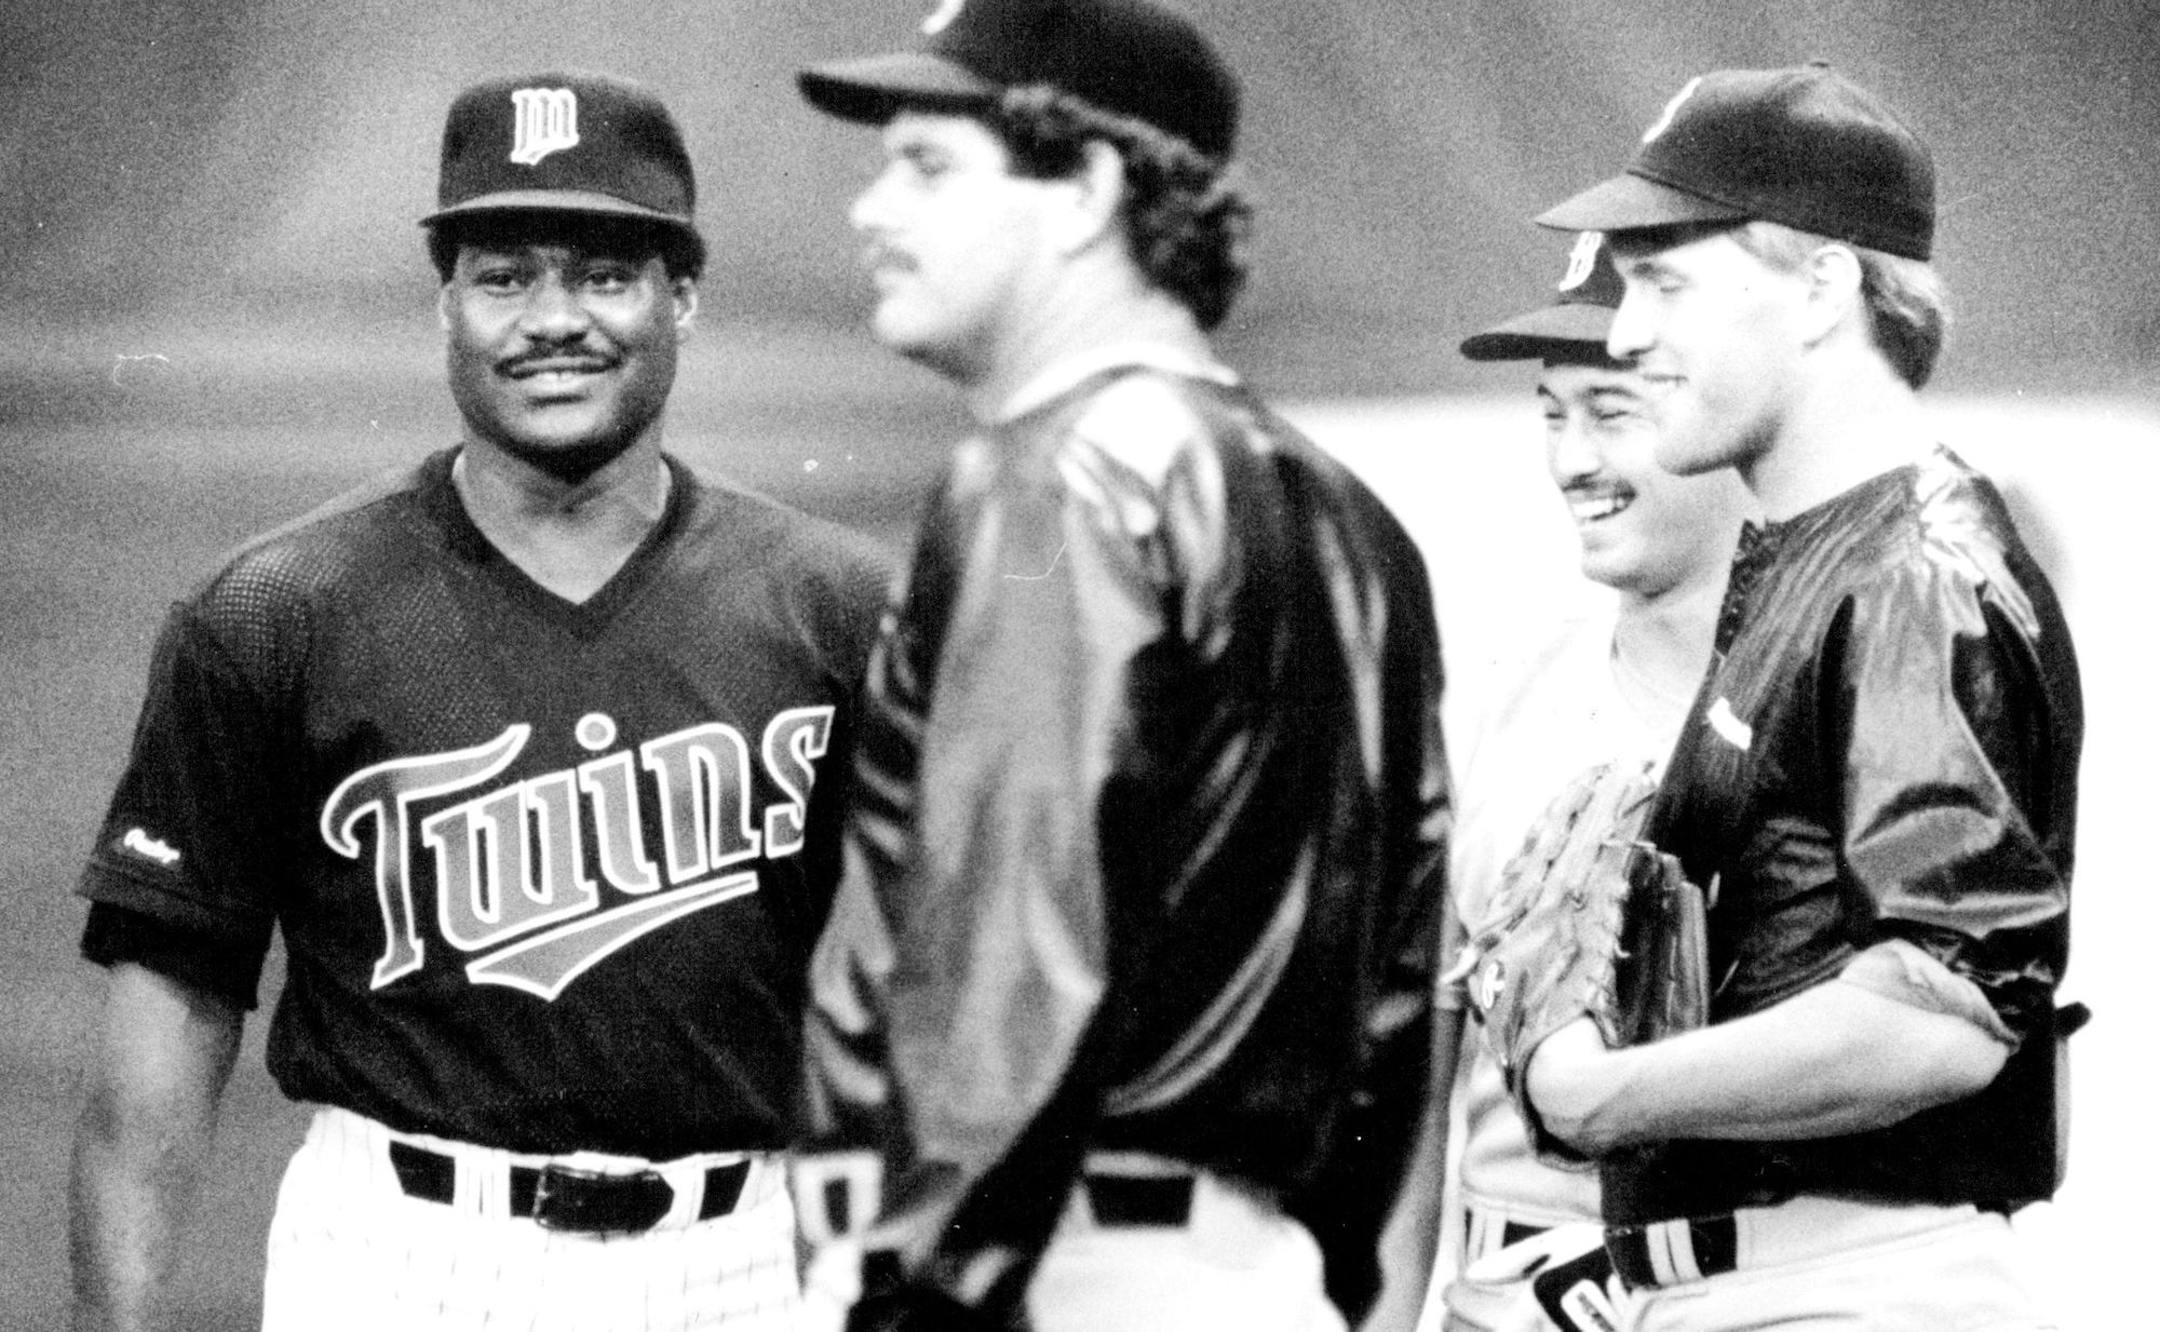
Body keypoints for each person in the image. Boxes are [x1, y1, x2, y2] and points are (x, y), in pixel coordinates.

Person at [68, 71, 891, 1332]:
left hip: (749, 1259)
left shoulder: (837, 606)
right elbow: (170, 1015)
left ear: (685, 295)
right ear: (445, 302)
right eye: (506, 276)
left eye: (606, 275)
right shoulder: (278, 609)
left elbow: (944, 987)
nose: (553, 320)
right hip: (399, 1257)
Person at [787, 2, 1451, 1329]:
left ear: (1086, 188)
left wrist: (920, 1296)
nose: (869, 209)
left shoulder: (1057, 482)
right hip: (1263, 1280)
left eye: (926, 165)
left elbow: (1018, 965)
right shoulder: (1354, 518)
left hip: (1039, 1271)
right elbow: (1398, 993)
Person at [1510, 63, 2083, 1329]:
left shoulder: (1914, 576)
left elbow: (1941, 1020)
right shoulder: (1814, 554)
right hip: (1755, 1283)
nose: (1624, 331)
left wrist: (1602, 1095)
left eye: (1667, 280)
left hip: (1847, 1287)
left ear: (1824, 284)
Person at [1434, 231, 1752, 1332]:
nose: (1573, 459)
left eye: (1612, 411)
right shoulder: (1486, 705)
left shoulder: (1848, 697)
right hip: (1512, 1294)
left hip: (1772, 1292)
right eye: (1551, 412)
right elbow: (1408, 1076)